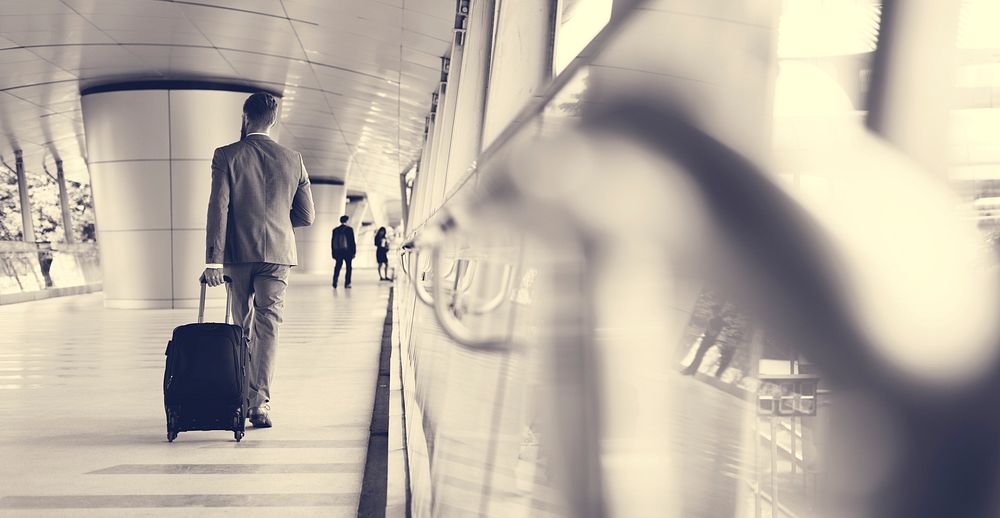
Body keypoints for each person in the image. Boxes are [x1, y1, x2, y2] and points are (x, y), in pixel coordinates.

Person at [203, 92, 315, 429]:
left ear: (245, 117)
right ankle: (261, 403)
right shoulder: (293, 158)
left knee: (243, 326)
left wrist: (213, 261)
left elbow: (218, 207)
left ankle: (240, 396)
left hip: (238, 256)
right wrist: (278, 224)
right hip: (278, 255)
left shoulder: (227, 155)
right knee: (269, 327)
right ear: (274, 120)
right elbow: (306, 215)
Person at [680, 304, 727, 376]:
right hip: (710, 341)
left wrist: (708, 323)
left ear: (715, 311)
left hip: (708, 340)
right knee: (699, 355)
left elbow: (712, 333)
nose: (712, 312)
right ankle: (692, 371)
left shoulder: (714, 320)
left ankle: (690, 370)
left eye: (712, 311)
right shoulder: (720, 321)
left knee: (698, 355)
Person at [331, 215, 356, 288]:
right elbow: (352, 242)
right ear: (347, 221)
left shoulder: (335, 230)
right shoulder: (349, 229)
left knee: (337, 267)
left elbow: (332, 242)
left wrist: (333, 253)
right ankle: (347, 283)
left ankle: (335, 282)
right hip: (347, 252)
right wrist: (354, 252)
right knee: (348, 268)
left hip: (338, 252)